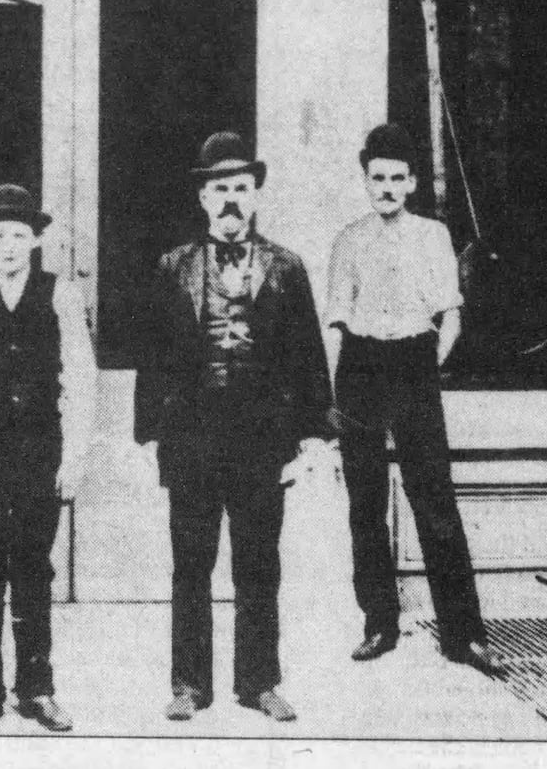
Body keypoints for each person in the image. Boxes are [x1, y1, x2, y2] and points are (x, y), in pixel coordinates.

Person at [134, 132, 333, 725]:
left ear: (255, 196)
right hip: (193, 436)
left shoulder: (287, 268)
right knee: (191, 564)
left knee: (259, 564)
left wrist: (313, 435)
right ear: (202, 196)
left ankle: (259, 682)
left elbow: (308, 355)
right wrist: (149, 436)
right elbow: (155, 358)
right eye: (219, 188)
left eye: (241, 189)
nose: (231, 200)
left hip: (260, 437)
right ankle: (190, 684)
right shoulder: (173, 267)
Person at [325, 123, 504, 679]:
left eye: (397, 178)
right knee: (365, 504)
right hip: (360, 367)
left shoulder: (432, 235)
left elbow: (450, 314)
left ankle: (463, 635)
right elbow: (336, 320)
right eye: (377, 177)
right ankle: (380, 623)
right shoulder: (349, 239)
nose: (387, 187)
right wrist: (333, 391)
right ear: (365, 180)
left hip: (412, 368)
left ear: (412, 182)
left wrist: (428, 365)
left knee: (435, 503)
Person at [0, 184, 96, 736]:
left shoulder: (60, 294)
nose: (9, 245)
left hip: (38, 452)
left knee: (33, 569)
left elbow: (79, 377)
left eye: (20, 235)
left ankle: (38, 689)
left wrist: (73, 458)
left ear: (35, 241)